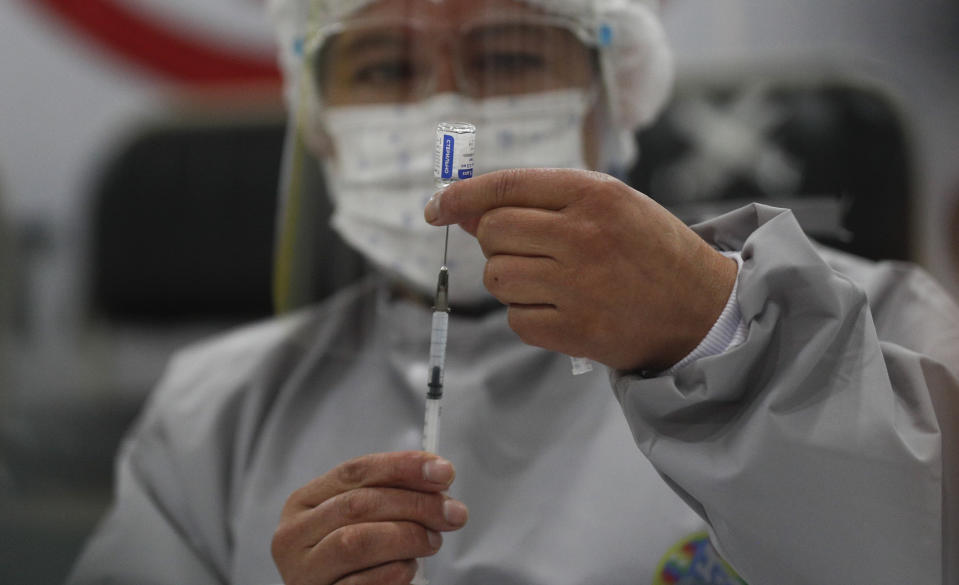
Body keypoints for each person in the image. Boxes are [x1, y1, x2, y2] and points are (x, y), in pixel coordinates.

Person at [68, 0, 959, 584]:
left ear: (611, 99)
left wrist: (722, 338)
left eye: (508, 54)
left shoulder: (872, 336)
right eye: (381, 68)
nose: (446, 105)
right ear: (320, 123)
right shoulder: (217, 416)